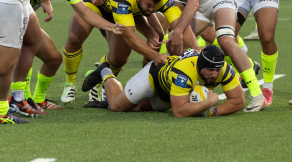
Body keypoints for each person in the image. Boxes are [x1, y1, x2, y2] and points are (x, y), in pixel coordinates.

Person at [138, 0, 264, 112]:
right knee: (179, 49)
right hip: (197, 9)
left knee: (225, 40)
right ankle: (245, 65)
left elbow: (194, 1)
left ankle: (257, 95)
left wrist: (178, 31)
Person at [9, 0, 125, 116]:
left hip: (24, 21)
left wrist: (111, 27)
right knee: (20, 54)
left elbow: (85, 12)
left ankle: (38, 98)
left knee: (54, 59)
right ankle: (21, 99)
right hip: (5, 18)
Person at [62, 0, 197, 103]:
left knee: (119, 59)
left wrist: (196, 48)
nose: (151, 10)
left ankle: (105, 76)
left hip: (127, 8)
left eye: (155, 7)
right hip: (98, 1)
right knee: (75, 38)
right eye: (149, 5)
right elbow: (129, 35)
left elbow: (180, 25)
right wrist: (155, 55)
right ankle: (70, 82)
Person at [83, 46, 245, 117]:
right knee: (118, 107)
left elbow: (238, 101)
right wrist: (210, 103)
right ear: (199, 66)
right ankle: (105, 71)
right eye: (210, 70)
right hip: (154, 76)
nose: (215, 74)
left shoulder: (223, 68)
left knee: (137, 108)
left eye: (217, 70)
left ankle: (106, 102)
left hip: (170, 93)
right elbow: (179, 112)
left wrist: (214, 112)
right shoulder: (184, 72)